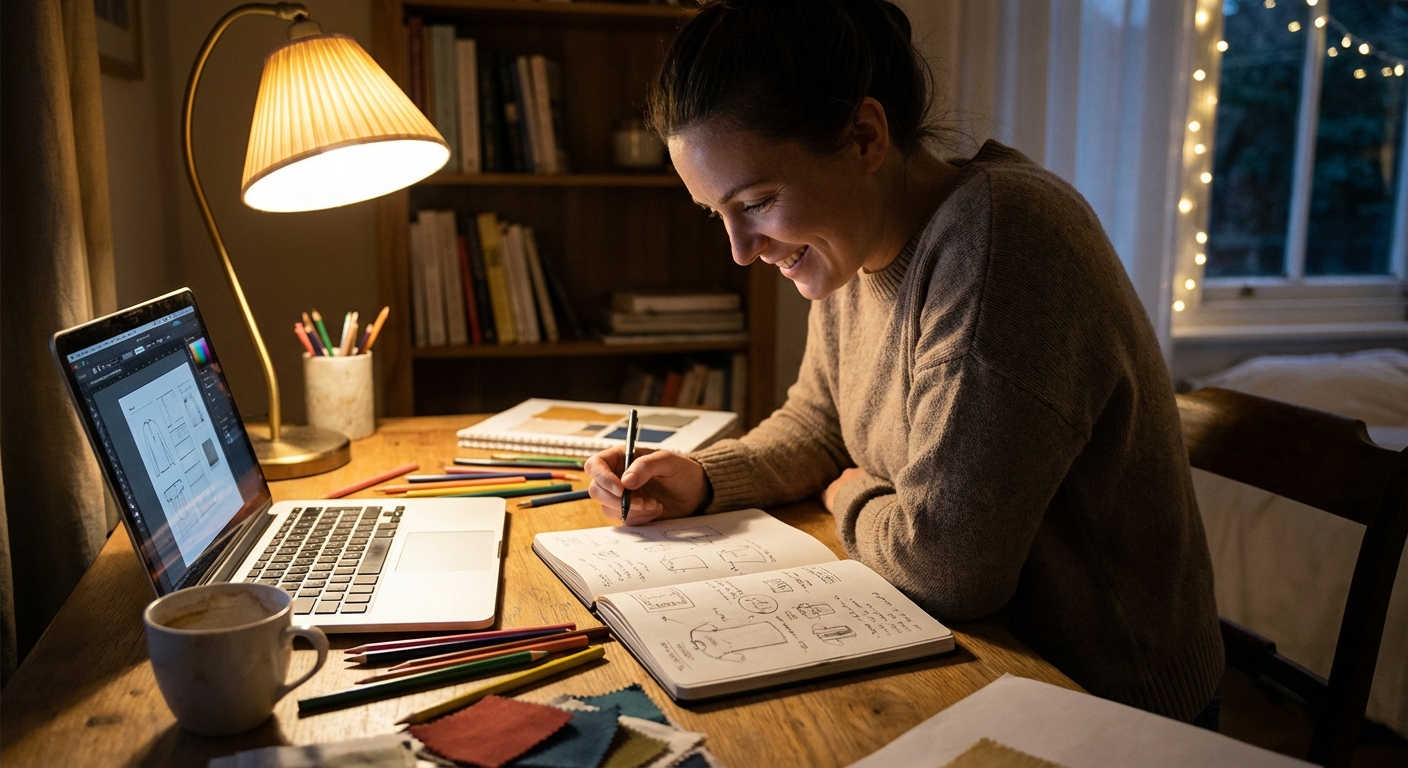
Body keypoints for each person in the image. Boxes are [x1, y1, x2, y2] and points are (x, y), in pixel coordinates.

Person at [584, 0, 1223, 725]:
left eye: (757, 201)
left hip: (1104, 701)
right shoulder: (848, 246)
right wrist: (702, 479)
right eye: (716, 213)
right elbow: (819, 427)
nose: (739, 249)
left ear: (864, 137)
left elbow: (946, 568)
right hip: (981, 663)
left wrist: (847, 496)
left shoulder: (1002, 243)